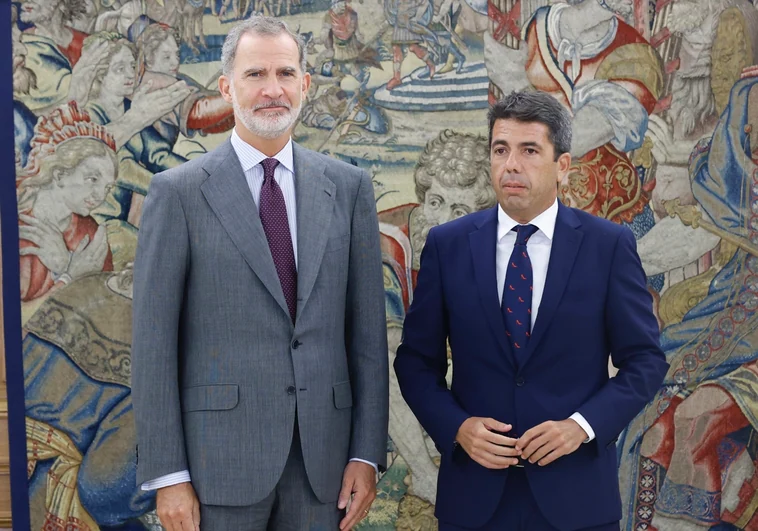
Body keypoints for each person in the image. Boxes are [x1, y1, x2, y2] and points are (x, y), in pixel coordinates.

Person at [131, 15, 389, 531]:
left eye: (286, 73)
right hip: (215, 469)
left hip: (325, 466)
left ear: (305, 84)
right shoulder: (177, 193)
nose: (273, 90)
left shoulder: (349, 188)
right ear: (226, 87)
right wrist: (168, 475)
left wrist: (366, 453)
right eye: (255, 75)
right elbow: (153, 344)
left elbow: (366, 336)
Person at [393, 90, 669, 531]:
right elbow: (414, 362)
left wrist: (581, 426)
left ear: (563, 166)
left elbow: (646, 362)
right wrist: (458, 429)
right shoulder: (448, 246)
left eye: (529, 150)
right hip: (474, 501)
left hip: (578, 503)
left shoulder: (607, 246)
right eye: (500, 150)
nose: (512, 165)